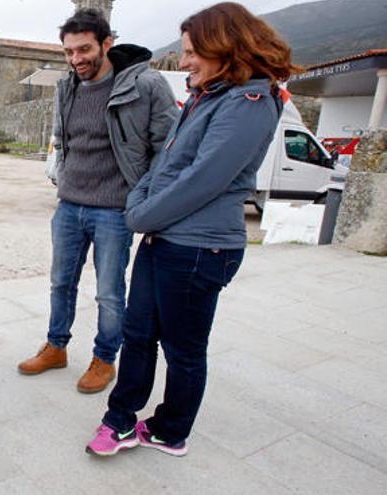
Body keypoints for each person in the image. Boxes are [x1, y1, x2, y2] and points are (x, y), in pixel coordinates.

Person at [87, 2, 299, 457]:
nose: (182, 62)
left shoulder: (251, 102)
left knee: (182, 349)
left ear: (223, 45)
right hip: (164, 238)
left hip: (201, 249)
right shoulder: (208, 95)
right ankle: (119, 420)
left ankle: (169, 430)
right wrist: (138, 199)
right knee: (138, 333)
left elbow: (204, 179)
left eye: (189, 52)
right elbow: (165, 162)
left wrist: (141, 215)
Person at [17, 9, 178, 394]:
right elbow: (61, 136)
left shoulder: (148, 84)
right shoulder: (67, 86)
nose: (76, 60)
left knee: (108, 291)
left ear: (107, 43)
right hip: (69, 206)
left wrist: (142, 199)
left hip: (115, 210)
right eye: (69, 52)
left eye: (84, 49)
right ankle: (56, 347)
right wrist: (62, 176)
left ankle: (105, 359)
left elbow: (168, 148)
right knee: (60, 283)